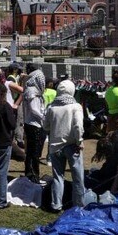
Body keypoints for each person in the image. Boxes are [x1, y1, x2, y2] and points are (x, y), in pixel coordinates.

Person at [44, 79, 85, 212]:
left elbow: (46, 126)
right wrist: (79, 141)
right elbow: (78, 125)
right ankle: (78, 204)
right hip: (72, 145)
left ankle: (56, 204)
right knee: (78, 177)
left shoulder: (51, 107)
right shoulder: (76, 106)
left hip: (55, 146)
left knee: (58, 177)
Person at [22, 65, 46, 183]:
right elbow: (34, 109)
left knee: (32, 153)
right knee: (34, 153)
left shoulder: (32, 89)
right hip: (34, 124)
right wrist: (44, 117)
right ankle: (33, 176)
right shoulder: (32, 90)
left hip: (33, 123)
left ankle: (31, 174)